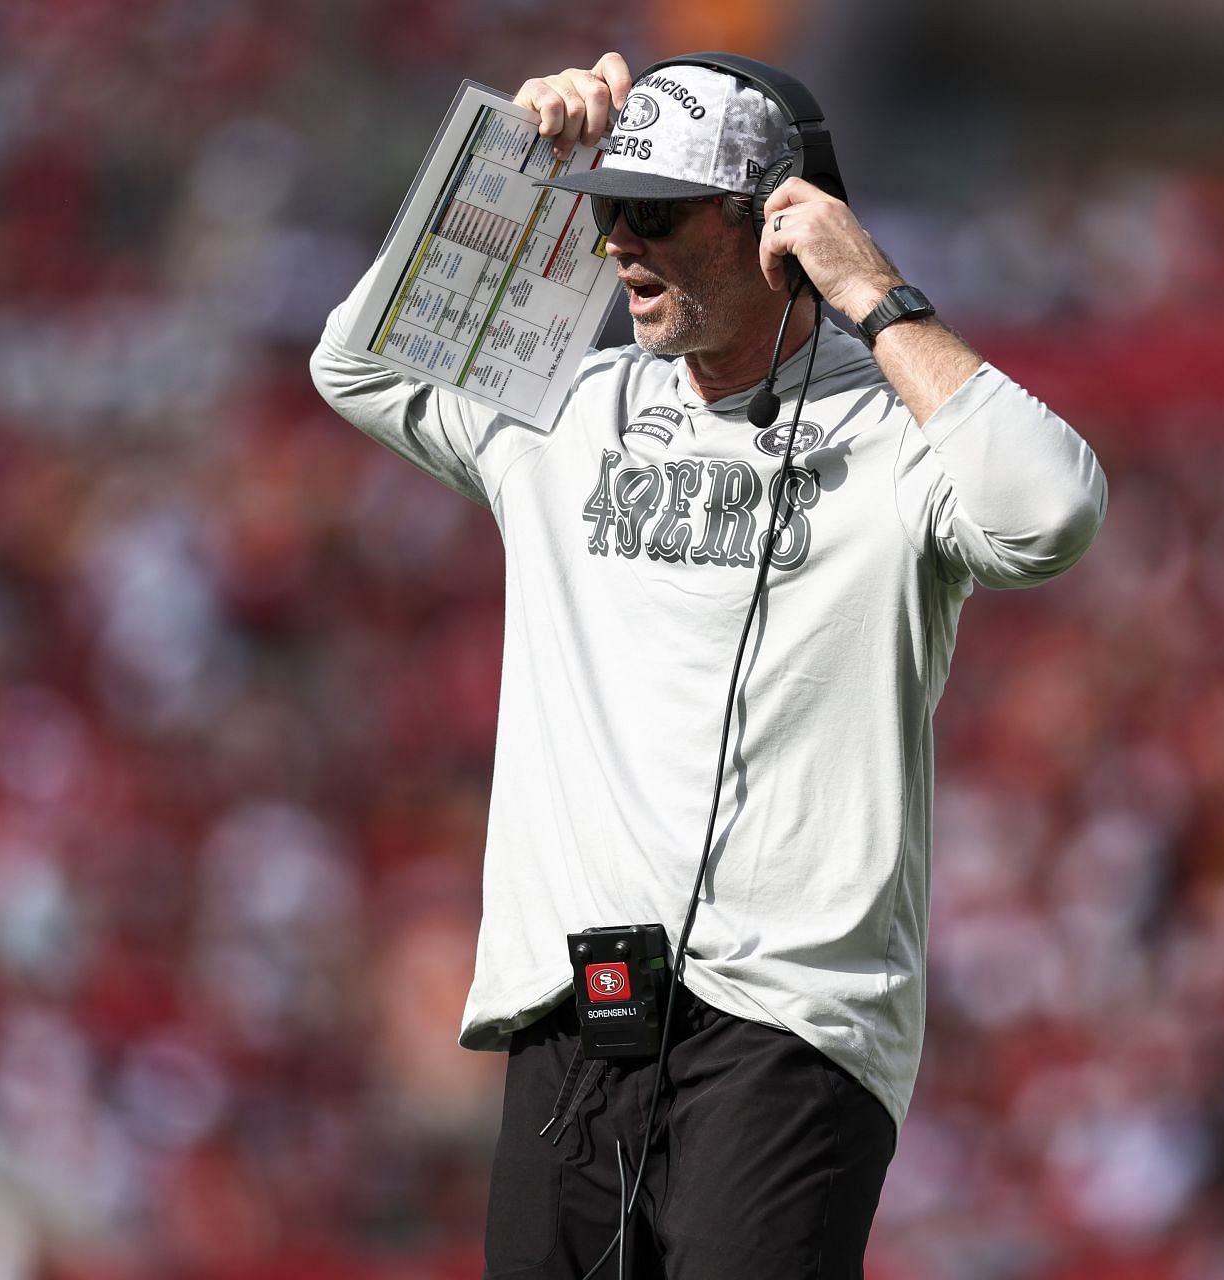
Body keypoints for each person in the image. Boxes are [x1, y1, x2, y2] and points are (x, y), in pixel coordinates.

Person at [309, 50, 1107, 1280]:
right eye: (606, 210)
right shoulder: (564, 412)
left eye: (657, 213)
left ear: (779, 227)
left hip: (791, 1023)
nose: (618, 243)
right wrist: (511, 167)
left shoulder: (897, 431)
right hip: (570, 1008)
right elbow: (353, 363)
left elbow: (1049, 512)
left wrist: (877, 293)